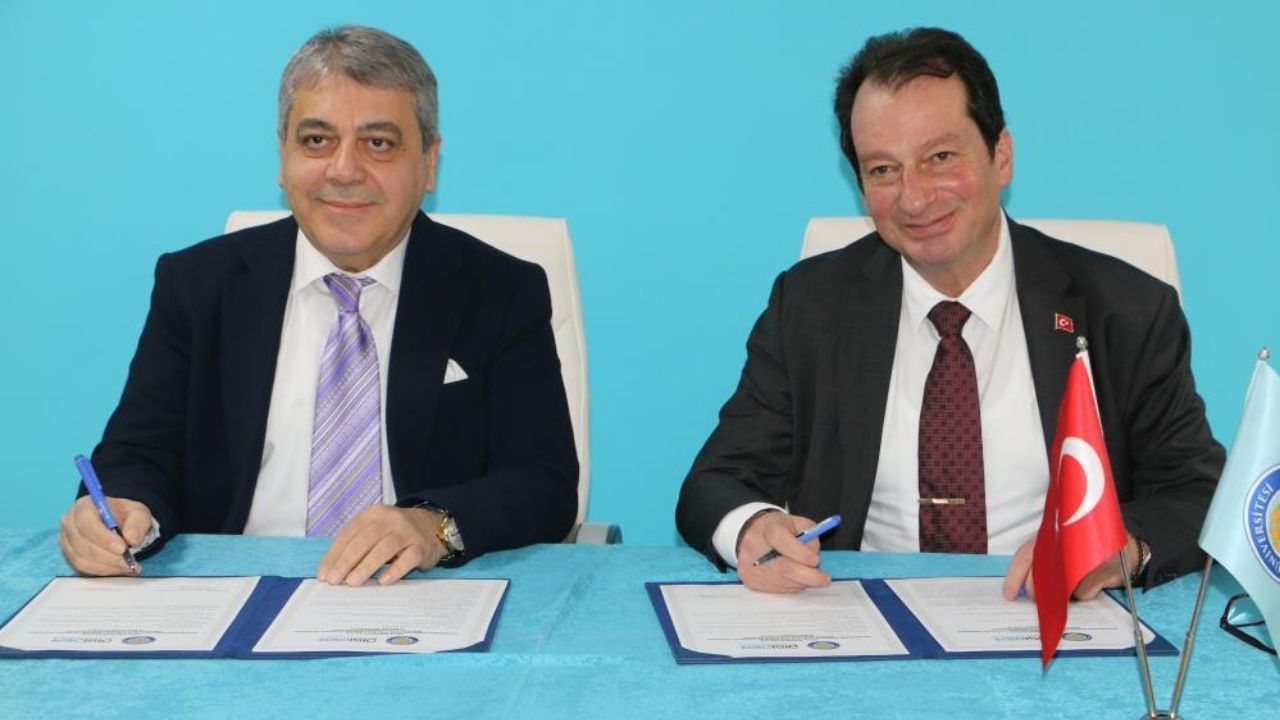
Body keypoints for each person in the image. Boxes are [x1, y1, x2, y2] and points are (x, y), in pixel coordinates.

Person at [675, 27, 1223, 597]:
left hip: (1054, 614)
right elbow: (717, 482)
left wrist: (1119, 549)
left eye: (939, 157)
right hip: (864, 614)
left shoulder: (1125, 309)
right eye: (883, 170)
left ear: (1001, 156)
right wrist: (753, 528)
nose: (914, 198)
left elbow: (1196, 491)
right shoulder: (811, 306)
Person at [58, 25, 578, 586]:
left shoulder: (501, 291)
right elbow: (137, 455)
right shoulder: (198, 284)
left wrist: (434, 527)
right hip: (232, 590)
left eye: (379, 143)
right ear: (282, 155)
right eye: (316, 140)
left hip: (413, 592)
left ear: (429, 162)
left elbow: (543, 483)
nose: (344, 170)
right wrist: (119, 508)